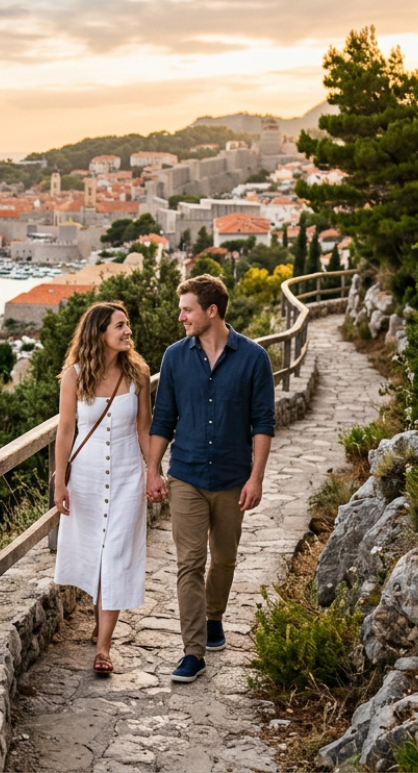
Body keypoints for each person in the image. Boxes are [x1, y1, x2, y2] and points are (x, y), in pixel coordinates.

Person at [146, 274, 274, 683]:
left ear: (211, 311)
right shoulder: (174, 357)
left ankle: (214, 615)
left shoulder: (254, 358)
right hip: (185, 474)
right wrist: (153, 469)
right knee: (189, 563)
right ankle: (193, 651)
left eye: (187, 309)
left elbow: (263, 423)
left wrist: (256, 477)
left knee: (224, 558)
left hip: (234, 477)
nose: (180, 316)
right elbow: (163, 417)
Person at [53, 302, 152, 675]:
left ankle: (103, 647)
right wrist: (60, 480)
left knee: (115, 554)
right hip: (88, 476)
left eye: (127, 325)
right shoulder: (73, 376)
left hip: (128, 474)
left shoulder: (138, 374)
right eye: (120, 326)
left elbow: (144, 428)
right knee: (95, 555)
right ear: (100, 333)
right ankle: (102, 620)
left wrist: (154, 471)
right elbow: (65, 431)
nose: (128, 332)